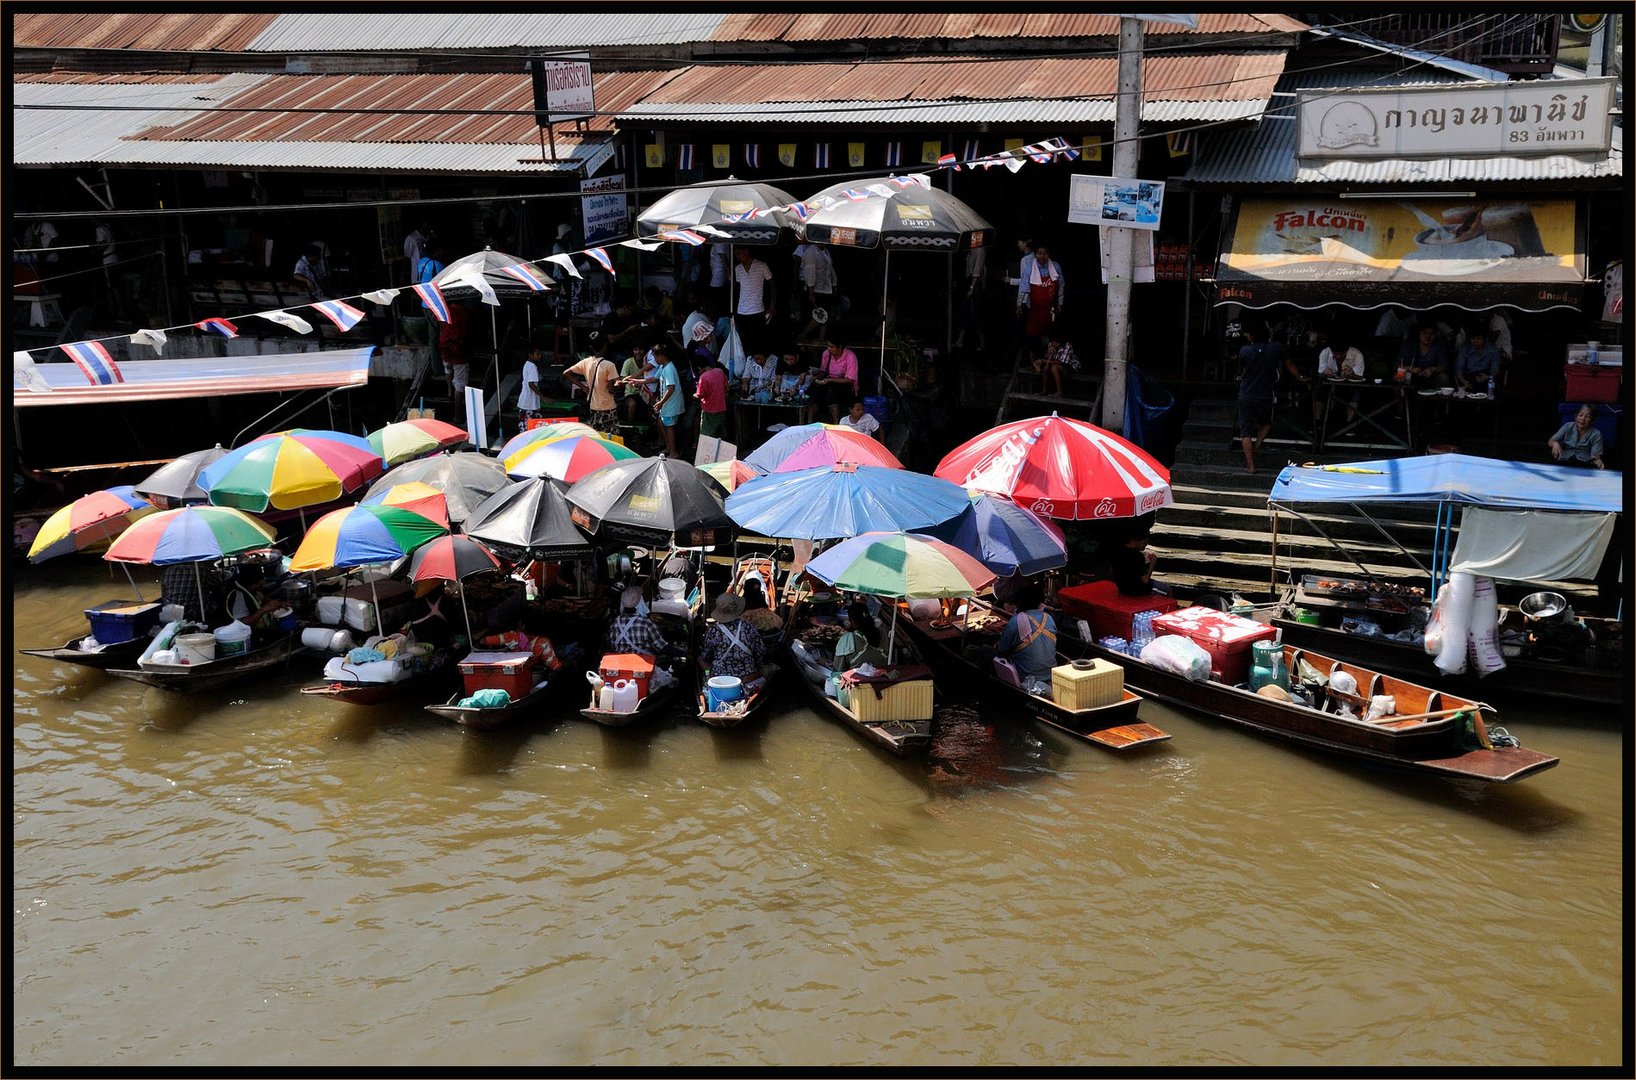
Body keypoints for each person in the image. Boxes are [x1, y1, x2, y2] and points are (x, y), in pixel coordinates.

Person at [1235, 323, 1282, 475]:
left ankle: (1250, 465)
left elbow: (1241, 368)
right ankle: (1255, 447)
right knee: (1266, 423)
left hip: (1247, 393)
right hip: (1264, 394)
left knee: (1245, 431)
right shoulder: (1275, 348)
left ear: (1252, 336)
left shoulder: (1245, 350)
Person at [993, 583, 1057, 690]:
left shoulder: (1015, 621)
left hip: (1026, 677)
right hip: (1051, 673)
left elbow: (1002, 650)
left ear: (1019, 603)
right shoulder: (1049, 617)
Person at [697, 591, 767, 689]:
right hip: (748, 675)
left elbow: (706, 655)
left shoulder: (714, 630)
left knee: (700, 659)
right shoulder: (748, 626)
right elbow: (760, 651)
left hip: (721, 677)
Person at [1015, 243, 1064, 353]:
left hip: (1050, 309)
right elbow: (1023, 287)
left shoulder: (1055, 267)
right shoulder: (1029, 269)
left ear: (1049, 254)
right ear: (1035, 254)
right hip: (1033, 309)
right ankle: (1031, 360)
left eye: (1045, 253)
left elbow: (1061, 285)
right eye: (1039, 253)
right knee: (1032, 335)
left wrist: (1060, 303)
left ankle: (1046, 359)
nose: (1042, 256)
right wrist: (1019, 305)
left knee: (1048, 333)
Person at [731, 247, 776, 358]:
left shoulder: (762, 265)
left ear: (746, 252)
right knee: (745, 343)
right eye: (736, 255)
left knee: (759, 342)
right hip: (741, 311)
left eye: (740, 254)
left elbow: (773, 286)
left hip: (758, 310)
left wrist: (772, 306)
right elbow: (738, 288)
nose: (738, 257)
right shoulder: (738, 268)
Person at [562, 353, 620, 434]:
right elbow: (611, 390)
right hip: (608, 407)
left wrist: (583, 387)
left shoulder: (585, 362)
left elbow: (566, 373)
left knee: (595, 436)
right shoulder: (609, 365)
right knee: (611, 437)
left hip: (593, 407)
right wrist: (616, 384)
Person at [607, 586, 669, 656]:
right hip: (642, 664)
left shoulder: (614, 623)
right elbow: (662, 647)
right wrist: (682, 652)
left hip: (620, 664)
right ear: (640, 604)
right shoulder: (647, 624)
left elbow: (611, 645)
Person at [161, 560, 226, 626]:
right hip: (195, 613)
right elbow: (217, 585)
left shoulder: (168, 571)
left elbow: (164, 594)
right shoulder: (201, 570)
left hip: (171, 613)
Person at [814, 333, 860, 423]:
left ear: (840, 347)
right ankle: (809, 421)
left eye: (832, 347)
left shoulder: (850, 356)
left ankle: (836, 423)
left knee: (832, 394)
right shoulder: (826, 354)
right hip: (829, 381)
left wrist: (830, 380)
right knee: (816, 391)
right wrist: (816, 377)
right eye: (828, 346)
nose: (829, 349)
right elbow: (823, 370)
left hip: (846, 384)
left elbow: (850, 379)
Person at [440, 300, 472, 418]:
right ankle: (457, 415)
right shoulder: (463, 312)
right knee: (460, 384)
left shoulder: (444, 310)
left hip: (445, 345)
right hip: (459, 349)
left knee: (448, 368)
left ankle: (449, 390)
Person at [651, 344, 684, 457]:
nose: (655, 359)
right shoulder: (663, 367)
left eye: (655, 357)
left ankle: (673, 452)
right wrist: (637, 381)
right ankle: (669, 447)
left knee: (669, 427)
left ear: (661, 356)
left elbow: (671, 387)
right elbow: (655, 378)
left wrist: (661, 402)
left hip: (670, 404)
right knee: (661, 422)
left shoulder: (669, 368)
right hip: (667, 404)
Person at [953, 243, 988, 351]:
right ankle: (960, 340)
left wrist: (972, 287)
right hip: (968, 281)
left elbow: (977, 272)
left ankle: (982, 343)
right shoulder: (969, 250)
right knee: (965, 311)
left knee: (975, 313)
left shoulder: (979, 250)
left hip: (975, 284)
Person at [800, 241, 839, 334]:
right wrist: (811, 292)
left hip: (827, 289)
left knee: (826, 316)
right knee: (818, 317)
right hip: (816, 290)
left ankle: (821, 339)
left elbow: (830, 269)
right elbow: (810, 272)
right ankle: (801, 336)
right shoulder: (811, 251)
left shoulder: (826, 251)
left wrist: (834, 284)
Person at [1549, 405, 1606, 469]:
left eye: (1588, 417)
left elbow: (1595, 455)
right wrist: (1555, 443)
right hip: (1564, 460)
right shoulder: (1568, 426)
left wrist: (1598, 461)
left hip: (1584, 463)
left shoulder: (1596, 434)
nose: (1583, 419)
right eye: (1580, 415)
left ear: (1592, 420)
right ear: (1576, 417)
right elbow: (1551, 441)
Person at [1108, 527, 1157, 596]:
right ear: (1142, 542)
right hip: (1137, 591)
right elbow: (1145, 580)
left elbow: (1111, 571)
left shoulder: (1117, 551)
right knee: (1167, 589)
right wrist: (1153, 563)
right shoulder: (1138, 556)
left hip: (1121, 588)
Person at [1398, 324, 1450, 388]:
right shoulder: (1410, 346)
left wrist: (1432, 369)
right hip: (1411, 376)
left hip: (1431, 376)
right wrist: (1411, 368)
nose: (1428, 337)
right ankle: (1400, 397)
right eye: (1424, 333)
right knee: (1399, 376)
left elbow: (1444, 366)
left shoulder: (1439, 347)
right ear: (1419, 335)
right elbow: (1397, 365)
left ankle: (1437, 397)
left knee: (1443, 377)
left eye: (1431, 334)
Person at [1034, 330, 1080, 398]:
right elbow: (1047, 358)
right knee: (1046, 368)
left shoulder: (1067, 346)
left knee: (1054, 367)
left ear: (1059, 343)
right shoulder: (1051, 344)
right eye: (1052, 342)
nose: (1052, 344)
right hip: (1055, 363)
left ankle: (1059, 392)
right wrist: (1048, 353)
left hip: (1069, 365)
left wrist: (1044, 361)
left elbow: (1062, 362)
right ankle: (1044, 390)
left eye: (1055, 343)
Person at [1454, 326, 1502, 392]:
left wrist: (1487, 377)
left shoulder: (1493, 350)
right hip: (1469, 377)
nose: (1475, 341)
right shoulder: (1465, 349)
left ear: (1485, 339)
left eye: (1479, 339)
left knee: (1492, 385)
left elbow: (1495, 370)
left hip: (1486, 377)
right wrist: (1464, 382)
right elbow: (1459, 370)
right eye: (1473, 338)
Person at [695, 354, 729, 441]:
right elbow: (726, 386)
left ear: (700, 368)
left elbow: (700, 395)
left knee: (707, 436)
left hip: (709, 410)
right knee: (720, 435)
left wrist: (694, 395)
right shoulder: (720, 371)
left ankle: (709, 454)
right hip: (721, 408)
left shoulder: (703, 377)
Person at [516, 346, 545, 427]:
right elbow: (531, 384)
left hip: (528, 402)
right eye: (537, 354)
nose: (540, 356)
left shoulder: (528, 365)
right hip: (529, 403)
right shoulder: (532, 366)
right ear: (530, 355)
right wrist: (543, 397)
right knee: (529, 428)